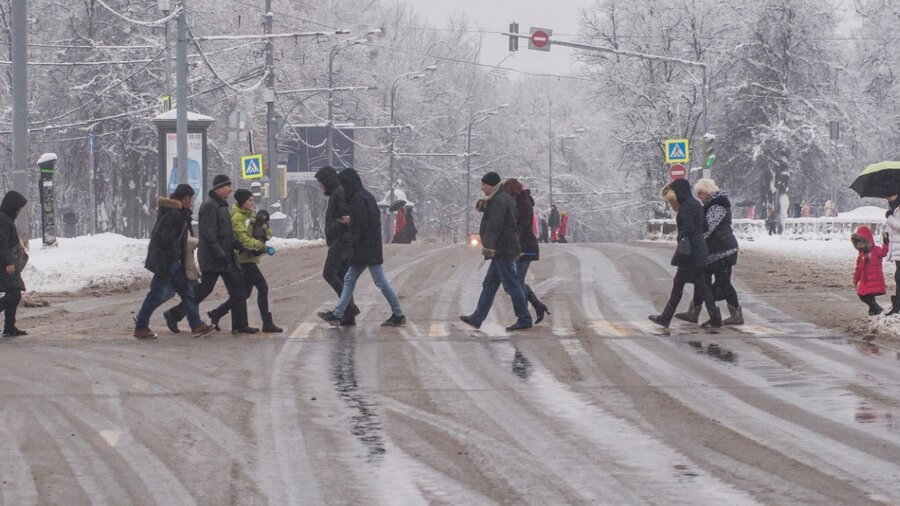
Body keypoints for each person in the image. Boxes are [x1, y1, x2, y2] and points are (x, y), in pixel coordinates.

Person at [164, 175, 256, 334]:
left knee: (238, 289)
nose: (231, 189)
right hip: (214, 258)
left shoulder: (221, 205)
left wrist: (237, 244)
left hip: (224, 256)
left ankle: (239, 324)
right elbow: (208, 234)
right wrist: (220, 254)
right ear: (220, 188)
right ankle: (174, 314)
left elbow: (226, 232)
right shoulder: (209, 206)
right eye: (228, 186)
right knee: (205, 289)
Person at [317, 168, 406, 326]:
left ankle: (398, 313)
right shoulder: (365, 196)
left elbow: (361, 224)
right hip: (366, 247)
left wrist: (350, 234)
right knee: (349, 279)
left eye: (344, 184)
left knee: (380, 281)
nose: (342, 188)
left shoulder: (359, 199)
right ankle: (338, 314)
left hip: (366, 248)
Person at [134, 185, 214, 339]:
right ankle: (196, 325)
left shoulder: (172, 211)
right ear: (184, 198)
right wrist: (175, 259)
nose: (191, 203)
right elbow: (167, 239)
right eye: (191, 199)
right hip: (167, 261)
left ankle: (141, 326)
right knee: (187, 291)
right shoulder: (174, 214)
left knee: (156, 295)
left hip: (164, 260)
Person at [459, 171, 533, 331]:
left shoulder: (499, 199)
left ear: (491, 185)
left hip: (503, 249)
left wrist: (489, 248)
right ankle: (477, 318)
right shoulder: (499, 197)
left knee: (512, 284)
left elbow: (495, 225)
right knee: (490, 283)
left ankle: (524, 318)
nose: (482, 187)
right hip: (503, 247)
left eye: (484, 185)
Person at [648, 179, 722, 328]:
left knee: (678, 285)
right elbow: (705, 226)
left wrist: (682, 237)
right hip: (700, 249)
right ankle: (715, 317)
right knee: (702, 285)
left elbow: (687, 228)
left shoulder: (685, 207)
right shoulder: (696, 204)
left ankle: (665, 318)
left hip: (689, 253)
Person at [675, 179, 743, 326]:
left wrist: (694, 239)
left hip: (724, 251)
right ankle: (694, 312)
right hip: (714, 251)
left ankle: (735, 315)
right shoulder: (711, 204)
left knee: (723, 283)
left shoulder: (718, 204)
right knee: (702, 281)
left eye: (699, 194)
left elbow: (707, 228)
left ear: (705, 191)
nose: (699, 197)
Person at [213, 190, 282, 333]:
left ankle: (217, 313)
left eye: (252, 200)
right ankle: (267, 323)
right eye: (249, 200)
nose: (252, 203)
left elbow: (266, 234)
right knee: (263, 287)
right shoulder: (237, 217)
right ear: (242, 202)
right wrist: (261, 247)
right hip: (243, 259)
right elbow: (243, 238)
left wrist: (264, 225)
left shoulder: (250, 215)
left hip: (250, 258)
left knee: (243, 294)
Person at [314, 166, 359, 325]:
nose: (320, 186)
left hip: (342, 241)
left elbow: (347, 216)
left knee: (329, 274)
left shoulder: (339, 193)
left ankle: (349, 308)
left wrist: (338, 224)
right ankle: (349, 315)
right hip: (343, 241)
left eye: (321, 182)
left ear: (327, 180)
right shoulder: (337, 192)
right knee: (342, 277)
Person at [507, 179, 550, 323]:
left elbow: (522, 228)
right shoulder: (521, 202)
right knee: (515, 283)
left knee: (515, 283)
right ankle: (536, 305)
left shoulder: (522, 204)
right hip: (522, 247)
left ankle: (525, 316)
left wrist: (517, 247)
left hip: (526, 248)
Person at [0, 191, 28, 337]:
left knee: (14, 293)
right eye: (17, 208)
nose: (18, 211)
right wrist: (9, 262)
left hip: (6, 263)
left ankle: (9, 328)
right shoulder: (3, 220)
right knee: (14, 294)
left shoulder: (5, 219)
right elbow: (2, 244)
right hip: (5, 265)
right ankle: (9, 327)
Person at [851, 226, 888, 316]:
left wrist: (886, 242)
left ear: (867, 241)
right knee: (863, 295)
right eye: (858, 243)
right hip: (865, 281)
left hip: (875, 280)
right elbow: (858, 269)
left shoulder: (876, 250)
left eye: (861, 243)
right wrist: (856, 280)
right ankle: (873, 310)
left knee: (866, 296)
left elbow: (884, 251)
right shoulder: (861, 254)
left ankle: (877, 309)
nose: (859, 245)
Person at [884, 194, 900, 315]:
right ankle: (897, 305)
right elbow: (893, 228)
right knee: (898, 277)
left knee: (899, 277)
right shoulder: (894, 208)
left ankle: (897, 306)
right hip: (896, 248)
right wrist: (886, 235)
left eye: (891, 194)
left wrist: (889, 218)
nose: (888, 197)